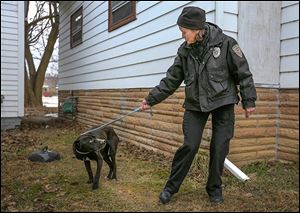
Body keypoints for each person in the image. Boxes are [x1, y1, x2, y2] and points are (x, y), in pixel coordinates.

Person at [140, 6, 257, 204]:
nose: (182, 36)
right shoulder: (184, 51)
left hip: (223, 100)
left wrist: (249, 100)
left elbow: (243, 72)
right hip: (195, 103)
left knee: (219, 146)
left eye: (184, 32)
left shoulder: (227, 44)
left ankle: (214, 189)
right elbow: (171, 79)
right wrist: (150, 99)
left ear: (196, 29)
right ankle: (171, 187)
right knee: (190, 145)